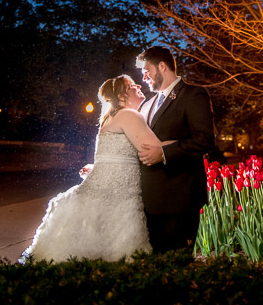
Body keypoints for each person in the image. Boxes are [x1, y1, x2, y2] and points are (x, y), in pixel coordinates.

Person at [21, 75, 175, 263]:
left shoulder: (109, 117)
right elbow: (153, 148)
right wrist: (185, 144)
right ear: (122, 94)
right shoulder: (128, 114)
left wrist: (96, 167)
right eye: (132, 85)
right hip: (118, 195)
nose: (138, 86)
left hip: (105, 189)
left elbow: (114, 156)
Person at [136, 45, 216, 253]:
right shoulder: (147, 105)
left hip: (180, 198)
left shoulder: (193, 95)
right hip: (149, 201)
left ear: (162, 66)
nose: (144, 77)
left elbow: (204, 140)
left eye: (147, 71)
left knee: (176, 264)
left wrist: (164, 153)